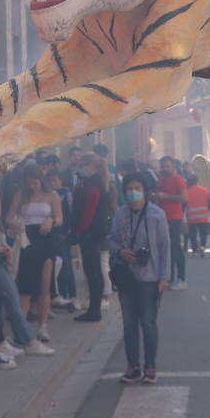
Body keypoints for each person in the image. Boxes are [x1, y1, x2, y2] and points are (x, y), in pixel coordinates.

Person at [0, 183, 53, 359]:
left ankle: (2, 342)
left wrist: (5, 249)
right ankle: (27, 340)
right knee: (12, 299)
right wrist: (2, 250)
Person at [108, 172, 172, 383]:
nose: (133, 192)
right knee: (129, 323)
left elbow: (165, 246)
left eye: (137, 188)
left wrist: (164, 276)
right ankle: (132, 365)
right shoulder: (120, 214)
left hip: (149, 277)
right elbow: (111, 239)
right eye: (129, 188)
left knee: (148, 323)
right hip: (127, 276)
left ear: (145, 191)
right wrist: (120, 252)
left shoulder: (157, 215)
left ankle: (150, 366)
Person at [8, 168, 62, 345]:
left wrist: (51, 220)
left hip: (46, 238)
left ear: (41, 180)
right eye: (29, 183)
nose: (32, 187)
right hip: (27, 239)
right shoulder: (21, 194)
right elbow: (9, 216)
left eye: (35, 183)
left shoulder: (52, 195)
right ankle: (22, 328)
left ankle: (43, 326)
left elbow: (60, 218)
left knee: (44, 286)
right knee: (25, 286)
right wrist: (15, 223)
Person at [71, 157, 116, 322]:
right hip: (94, 232)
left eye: (83, 165)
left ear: (92, 166)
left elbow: (89, 210)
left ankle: (94, 310)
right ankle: (94, 309)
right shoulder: (94, 183)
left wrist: (80, 230)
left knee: (93, 272)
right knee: (93, 271)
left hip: (90, 233)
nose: (81, 168)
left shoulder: (93, 185)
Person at [154, 156, 189, 290]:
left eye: (167, 166)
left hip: (174, 217)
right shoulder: (161, 180)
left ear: (173, 166)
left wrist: (165, 197)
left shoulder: (178, 179)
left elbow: (184, 197)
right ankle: (169, 278)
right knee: (165, 248)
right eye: (162, 166)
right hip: (162, 217)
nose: (164, 169)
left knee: (175, 248)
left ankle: (181, 278)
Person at [46, 169, 77, 310]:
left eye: (55, 180)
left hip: (64, 234)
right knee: (58, 266)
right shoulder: (49, 195)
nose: (53, 183)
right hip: (52, 235)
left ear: (60, 180)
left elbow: (71, 214)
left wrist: (69, 232)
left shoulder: (66, 194)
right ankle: (62, 294)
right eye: (50, 180)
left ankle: (71, 294)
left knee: (66, 265)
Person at [185, 172, 210, 256]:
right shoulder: (205, 190)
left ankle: (194, 250)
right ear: (197, 181)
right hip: (204, 217)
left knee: (193, 234)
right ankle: (202, 247)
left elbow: (184, 204)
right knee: (203, 234)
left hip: (192, 217)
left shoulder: (186, 192)